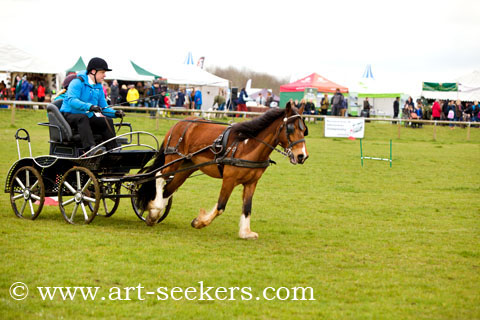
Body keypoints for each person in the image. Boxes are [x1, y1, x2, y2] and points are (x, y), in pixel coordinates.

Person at [60, 57, 124, 154]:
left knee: (106, 121)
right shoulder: (77, 82)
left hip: (86, 116)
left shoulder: (98, 87)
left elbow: (104, 107)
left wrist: (115, 113)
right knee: (83, 118)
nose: (105, 75)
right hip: (69, 115)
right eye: (102, 72)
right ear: (93, 72)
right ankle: (90, 149)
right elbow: (72, 101)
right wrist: (89, 107)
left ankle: (112, 150)